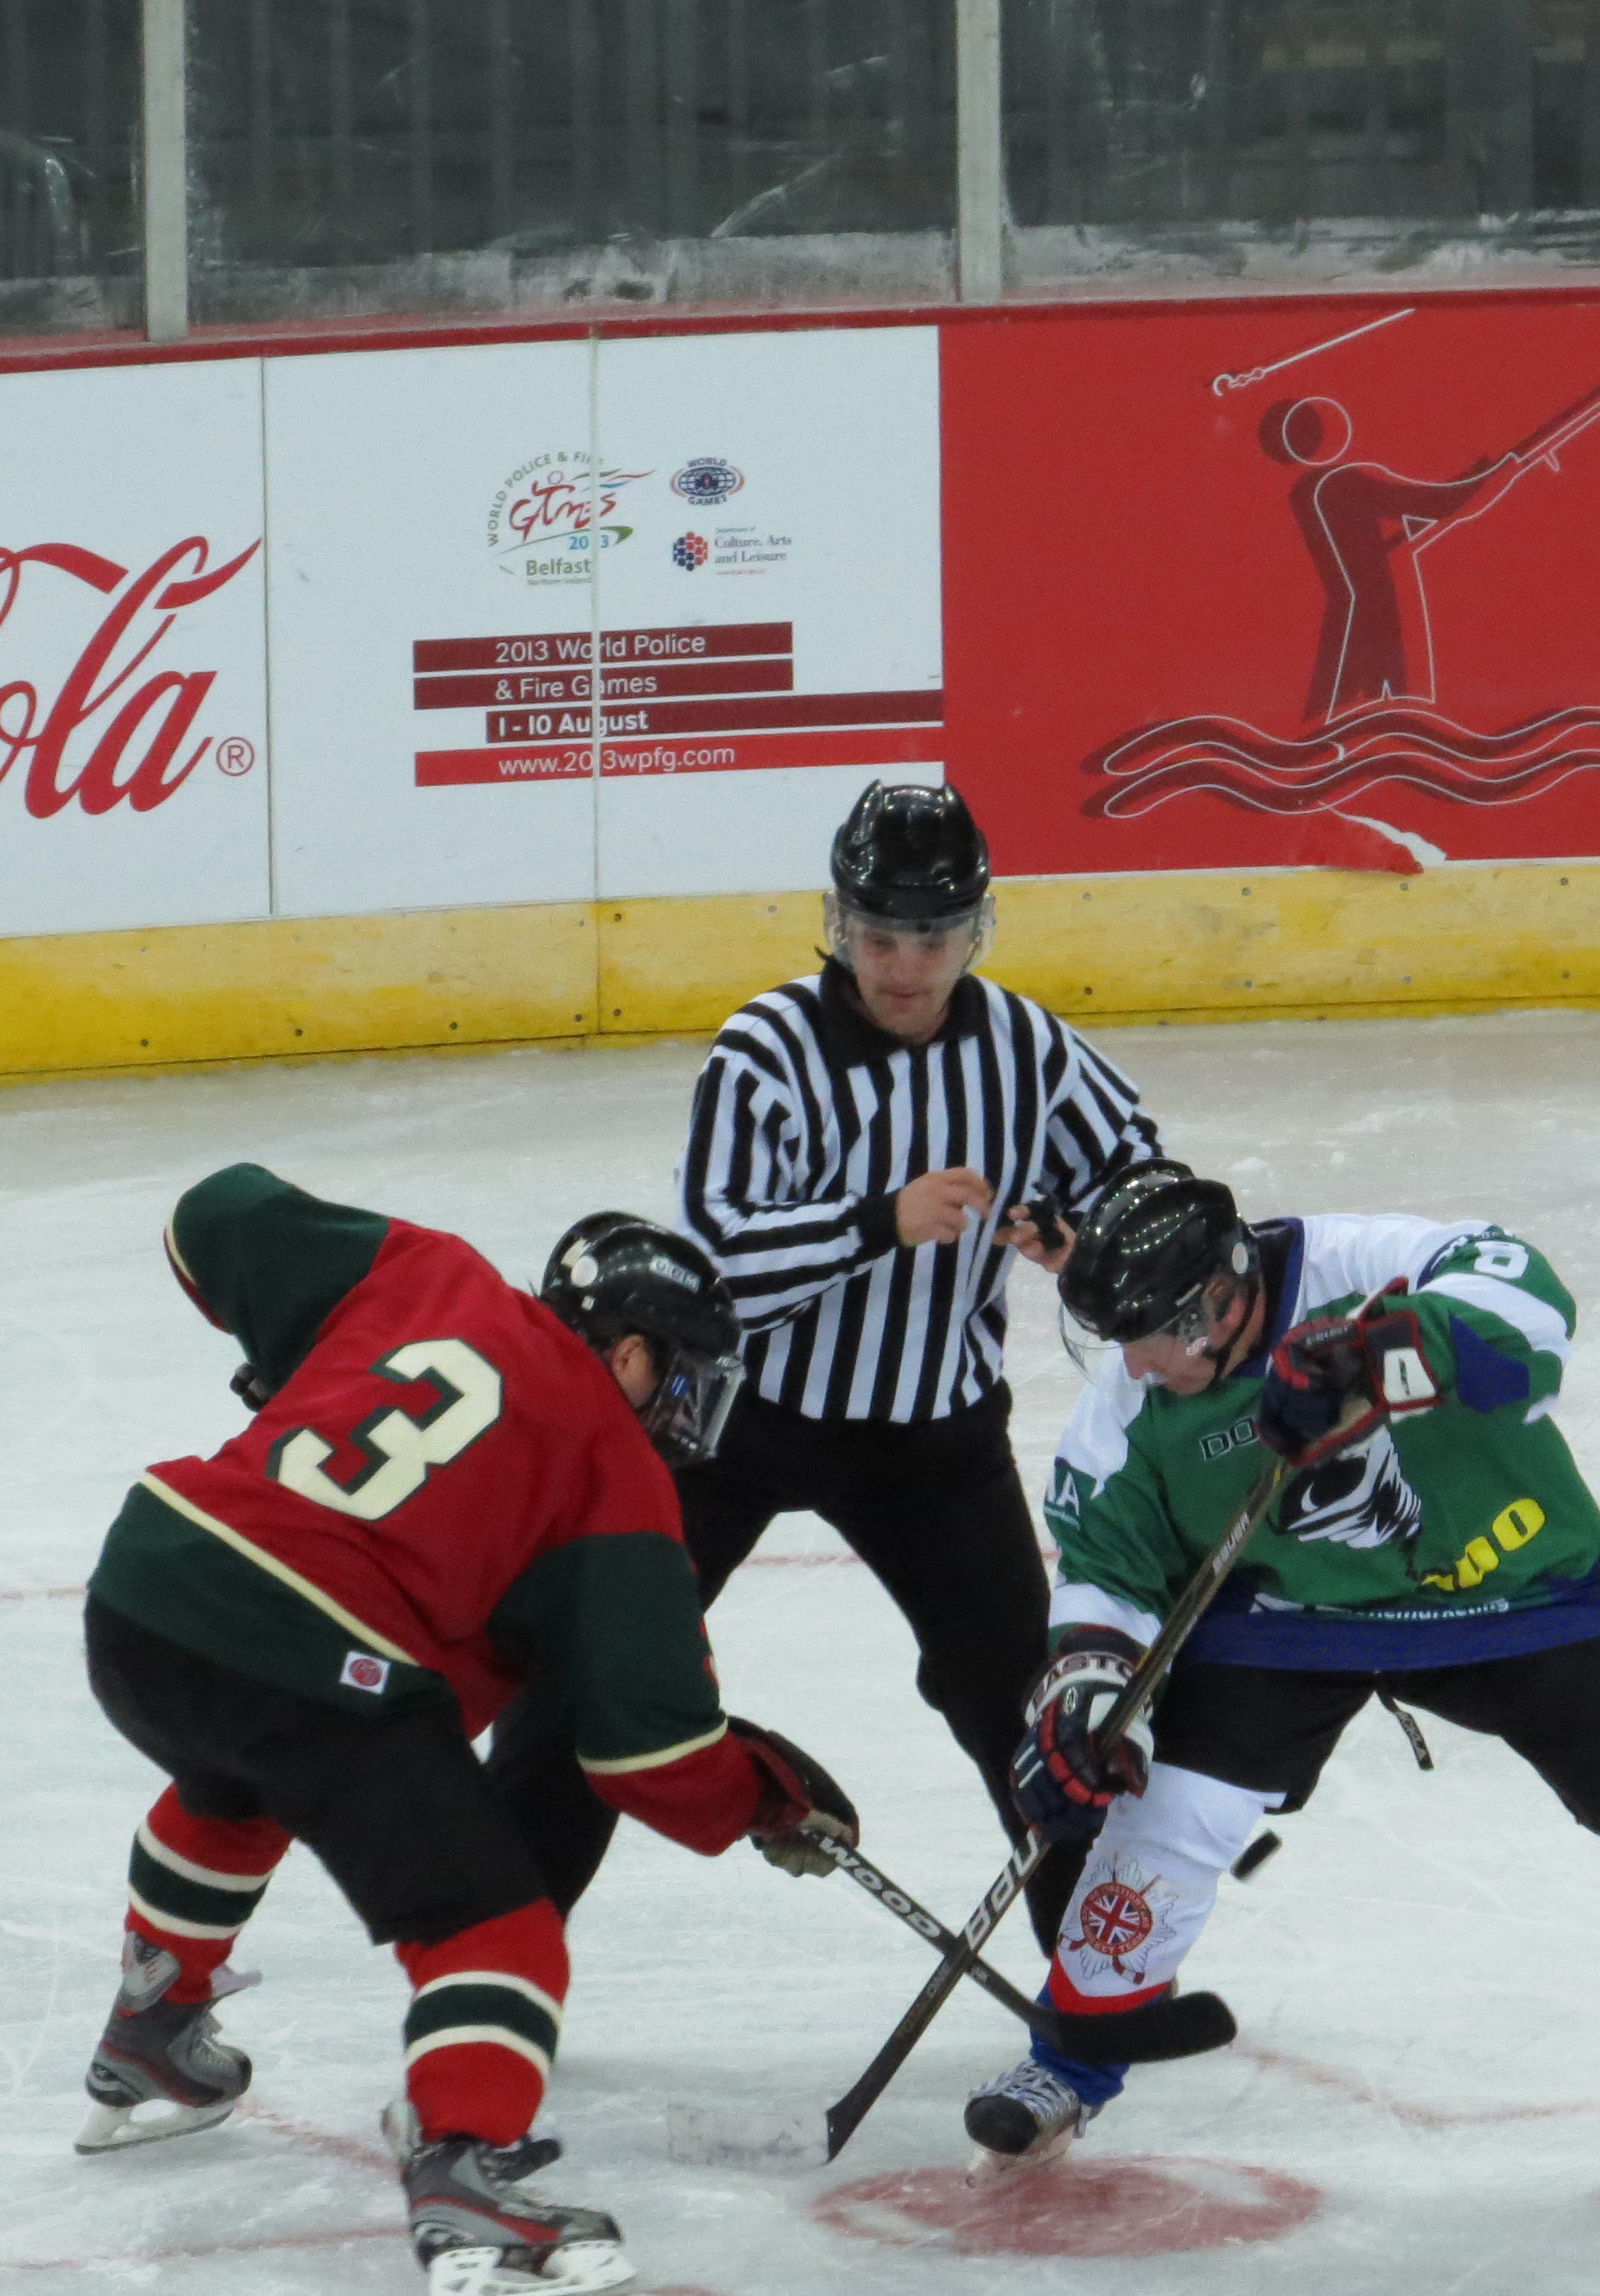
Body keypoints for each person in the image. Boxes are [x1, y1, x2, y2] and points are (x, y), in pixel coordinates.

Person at [960, 1157, 1600, 2173]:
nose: (1136, 1365)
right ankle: (1070, 2063)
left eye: (1150, 1338)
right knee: (1166, 1824)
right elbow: (1108, 1566)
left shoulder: (1366, 1262)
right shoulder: (1129, 1400)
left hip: (1521, 1586)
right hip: (1289, 1619)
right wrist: (1088, 1699)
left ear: (1221, 1300)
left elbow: (1533, 1318)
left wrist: (1377, 1353)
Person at [73, 1164, 857, 2296]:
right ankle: (466, 2179)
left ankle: (153, 2021)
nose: (684, 1405)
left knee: (237, 1782)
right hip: (319, 1658)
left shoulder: (429, 1272)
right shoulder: (616, 1470)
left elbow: (215, 1212)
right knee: (496, 1929)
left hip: (151, 1584)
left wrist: (299, 1351)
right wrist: (762, 1798)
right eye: (681, 1370)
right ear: (627, 1353)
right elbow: (649, 1757)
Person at [489, 780, 1162, 1954]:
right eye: (880, 934)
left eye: (933, 936)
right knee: (591, 1672)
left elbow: (1138, 1174)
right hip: (727, 1425)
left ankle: (1099, 1966)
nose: (905, 964)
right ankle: (491, 1952)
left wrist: (1083, 1238)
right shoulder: (765, 1048)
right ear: (838, 923)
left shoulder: (1027, 1047)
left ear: (977, 929)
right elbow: (715, 1263)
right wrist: (876, 1221)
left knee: (1026, 1700)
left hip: (934, 1438)